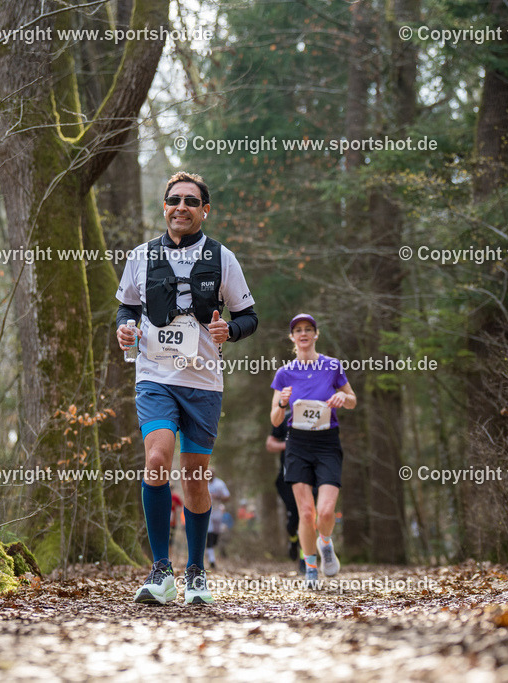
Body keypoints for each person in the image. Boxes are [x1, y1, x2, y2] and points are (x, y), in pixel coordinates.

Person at [116, 171, 258, 605]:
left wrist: (228, 332)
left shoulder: (223, 259)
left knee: (195, 477)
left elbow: (248, 317)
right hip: (155, 376)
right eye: (174, 199)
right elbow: (127, 306)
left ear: (204, 210)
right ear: (164, 206)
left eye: (191, 201)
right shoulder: (141, 256)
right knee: (157, 458)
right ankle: (161, 570)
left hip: (202, 382)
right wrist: (124, 327)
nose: (181, 207)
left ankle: (196, 571)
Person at [270, 313, 357, 589]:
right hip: (297, 443)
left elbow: (353, 400)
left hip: (327, 442)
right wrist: (282, 404)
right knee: (306, 513)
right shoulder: (284, 373)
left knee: (327, 511)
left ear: (316, 335)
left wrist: (343, 396)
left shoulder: (332, 366)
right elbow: (274, 419)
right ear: (292, 337)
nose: (304, 333)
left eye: (309, 329)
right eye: (298, 330)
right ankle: (310, 568)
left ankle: (326, 544)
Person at [265, 420, 306, 573]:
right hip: (287, 479)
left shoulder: (318, 410)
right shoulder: (285, 418)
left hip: (310, 477)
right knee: (294, 519)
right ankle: (293, 540)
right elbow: (270, 444)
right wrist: (289, 445)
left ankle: (304, 559)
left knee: (307, 516)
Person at [205, 472, 230, 569]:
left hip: (217, 511)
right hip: (207, 511)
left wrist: (218, 497)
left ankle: (211, 549)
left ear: (214, 475)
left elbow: (227, 497)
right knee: (209, 534)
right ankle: (212, 560)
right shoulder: (203, 483)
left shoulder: (219, 484)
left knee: (215, 535)